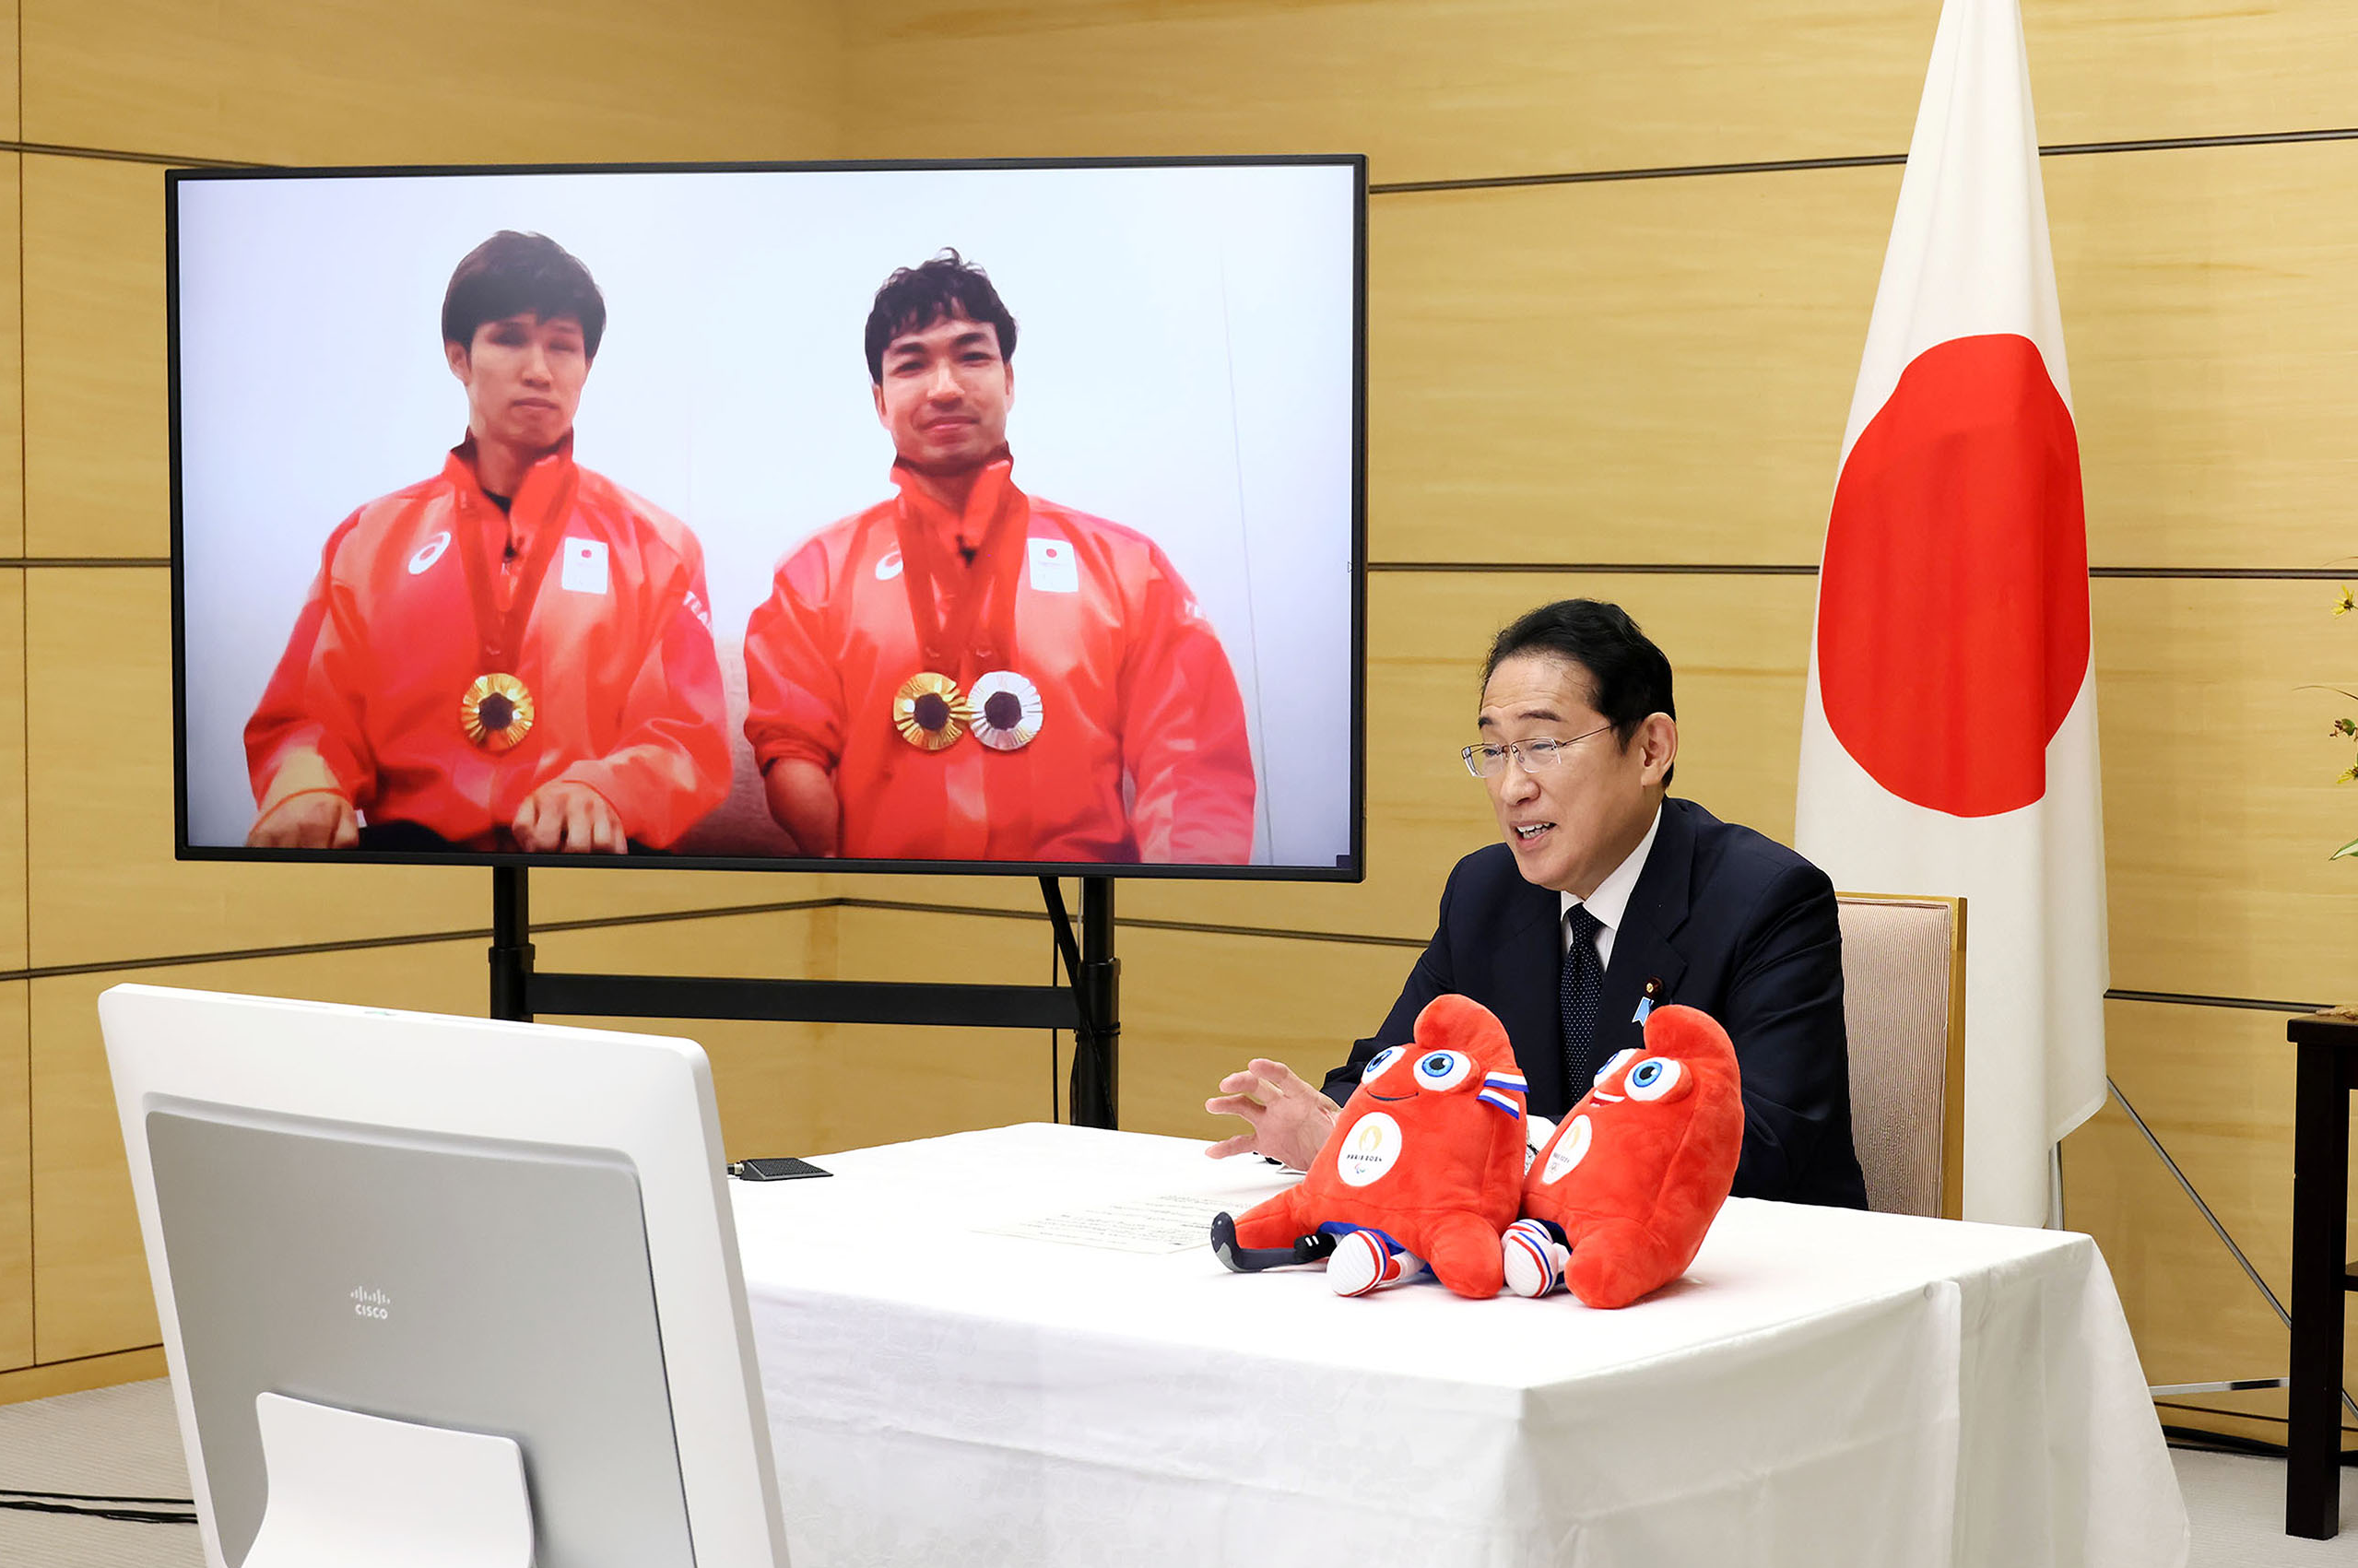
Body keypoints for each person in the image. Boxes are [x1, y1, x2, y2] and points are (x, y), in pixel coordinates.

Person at [1207, 599, 1868, 1208]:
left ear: (1650, 750)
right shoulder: (1485, 892)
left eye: (1543, 746)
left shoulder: (1766, 901)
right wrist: (1332, 1122)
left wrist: (1493, 1150)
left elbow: (1757, 1154)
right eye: (1494, 751)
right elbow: (1392, 1071)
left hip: (1747, 1282)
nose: (1512, 786)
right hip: (1533, 1275)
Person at [740, 249, 1256, 863]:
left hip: (1077, 922)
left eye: (972, 356)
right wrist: (859, 891)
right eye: (911, 365)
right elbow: (792, 752)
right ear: (880, 401)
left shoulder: (1127, 569)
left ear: (1009, 380)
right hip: (893, 921)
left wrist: (1168, 918)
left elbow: (1192, 765)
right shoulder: (815, 577)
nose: (945, 388)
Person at [245, 230, 732, 854]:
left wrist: (609, 790)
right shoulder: (368, 540)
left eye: (563, 346)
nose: (538, 370)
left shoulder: (658, 548)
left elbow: (687, 737)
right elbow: (309, 716)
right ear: (459, 357)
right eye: (508, 338)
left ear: (586, 368)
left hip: (590, 861)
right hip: (409, 870)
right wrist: (306, 787)